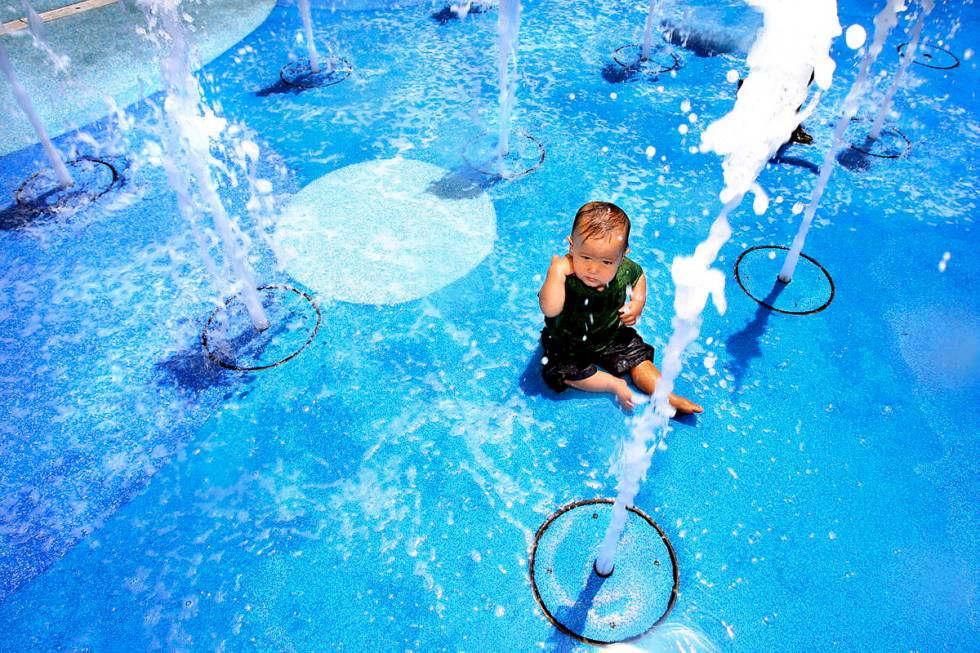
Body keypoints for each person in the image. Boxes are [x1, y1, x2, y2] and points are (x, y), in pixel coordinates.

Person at [537, 201, 704, 413]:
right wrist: (555, 273)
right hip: (567, 342)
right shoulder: (564, 276)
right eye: (585, 257)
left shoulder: (625, 269)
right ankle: (613, 384)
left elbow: (639, 276)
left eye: (606, 262)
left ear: (623, 254)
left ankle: (665, 396)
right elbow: (550, 309)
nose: (593, 269)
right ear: (571, 247)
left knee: (638, 358)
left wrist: (637, 302)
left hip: (611, 336)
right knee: (560, 370)